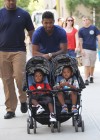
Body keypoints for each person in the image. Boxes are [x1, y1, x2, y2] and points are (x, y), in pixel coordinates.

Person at [0, 0, 34, 119]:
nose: (11, 2)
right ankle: (10, 109)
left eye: (13, 0)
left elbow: (31, 31)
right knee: (7, 80)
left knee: (20, 77)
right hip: (2, 51)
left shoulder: (24, 14)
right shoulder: (0, 13)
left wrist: (33, 47)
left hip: (19, 50)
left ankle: (23, 100)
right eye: (8, 0)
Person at [79, 16, 100, 85]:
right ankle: (86, 79)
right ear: (82, 21)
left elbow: (98, 37)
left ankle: (91, 76)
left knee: (92, 65)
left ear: (89, 20)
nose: (85, 21)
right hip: (85, 49)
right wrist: (81, 50)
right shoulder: (81, 30)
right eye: (83, 20)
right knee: (86, 64)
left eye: (86, 19)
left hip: (93, 49)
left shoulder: (93, 28)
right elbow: (80, 41)